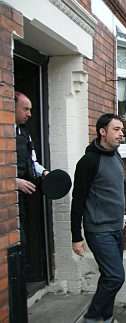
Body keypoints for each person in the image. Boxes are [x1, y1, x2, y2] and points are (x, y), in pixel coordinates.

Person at [70, 113, 125, 323]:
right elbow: (78, 199)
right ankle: (91, 318)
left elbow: (114, 191)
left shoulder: (117, 155)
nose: (121, 134)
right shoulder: (89, 161)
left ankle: (107, 317)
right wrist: (76, 236)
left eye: (122, 129)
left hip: (117, 228)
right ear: (102, 132)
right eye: (116, 129)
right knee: (115, 277)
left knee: (108, 276)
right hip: (99, 230)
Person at [15, 91, 49, 275]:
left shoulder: (25, 134)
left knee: (24, 239)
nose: (29, 114)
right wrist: (13, 182)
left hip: (24, 198)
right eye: (25, 109)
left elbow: (32, 162)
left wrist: (44, 172)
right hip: (8, 198)